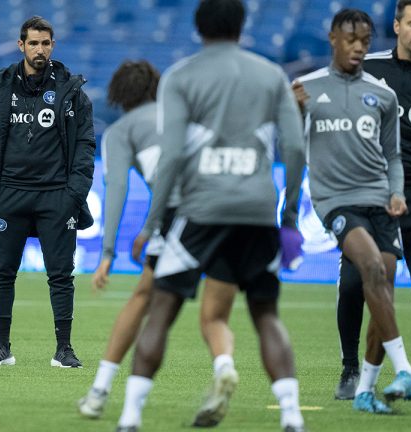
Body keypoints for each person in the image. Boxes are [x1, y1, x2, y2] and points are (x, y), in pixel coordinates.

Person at [114, 1, 307, 431]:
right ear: (242, 24)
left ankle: (130, 418)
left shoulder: (181, 76)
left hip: (201, 211)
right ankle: (292, 417)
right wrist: (289, 217)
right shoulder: (271, 75)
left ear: (199, 26)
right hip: (258, 211)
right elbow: (294, 149)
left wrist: (151, 224)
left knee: (162, 308)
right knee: (265, 314)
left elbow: (170, 158)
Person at [77, 60, 240, 422]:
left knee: (143, 301)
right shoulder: (181, 114)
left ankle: (100, 391)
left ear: (119, 96)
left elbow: (116, 189)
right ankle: (224, 365)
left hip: (180, 216)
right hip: (228, 208)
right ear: (156, 87)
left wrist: (108, 252)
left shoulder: (121, 131)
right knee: (214, 315)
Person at [294, 8, 411, 414]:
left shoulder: (382, 95)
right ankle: (400, 369)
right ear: (333, 38)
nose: (359, 48)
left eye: (366, 41)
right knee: (370, 272)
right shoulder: (306, 89)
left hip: (380, 200)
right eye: (351, 40)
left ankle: (364, 389)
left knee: (375, 283)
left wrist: (397, 192)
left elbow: (393, 155)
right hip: (336, 201)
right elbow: (291, 147)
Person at [330, 0, 411, 404]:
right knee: (351, 286)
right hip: (371, 196)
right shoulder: (370, 69)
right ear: (397, 25)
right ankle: (349, 368)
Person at [0, 15, 95, 368]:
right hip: (8, 194)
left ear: (52, 46)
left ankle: (64, 349)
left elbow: (85, 144)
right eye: (33, 43)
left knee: (61, 276)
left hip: (57, 195)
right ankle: (1, 346)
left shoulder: (71, 91)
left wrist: (75, 193)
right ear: (21, 45)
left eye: (46, 43)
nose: (40, 49)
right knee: (3, 272)